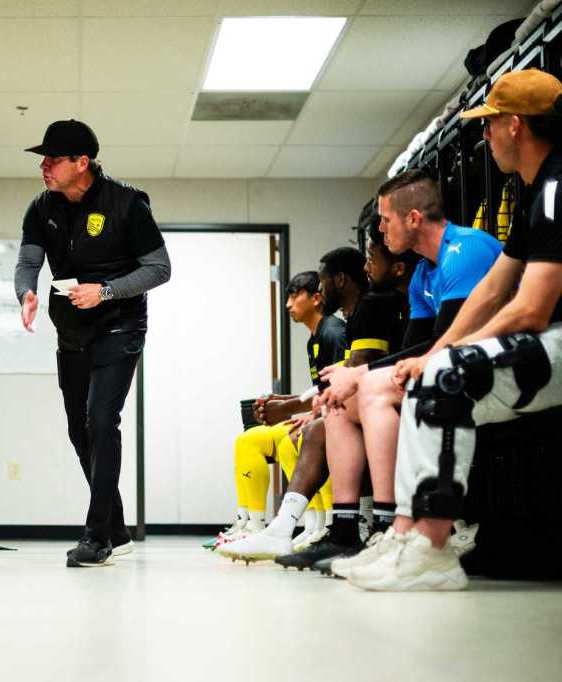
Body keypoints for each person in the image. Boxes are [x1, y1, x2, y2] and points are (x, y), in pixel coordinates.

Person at [345, 69, 562, 591]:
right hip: (548, 343)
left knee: (444, 379)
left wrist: (447, 354)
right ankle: (405, 534)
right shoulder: (533, 192)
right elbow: (493, 290)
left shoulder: (558, 186)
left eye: (489, 124)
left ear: (515, 125)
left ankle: (433, 548)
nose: (484, 136)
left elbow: (532, 308)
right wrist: (435, 352)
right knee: (430, 373)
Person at [317, 170, 501, 577]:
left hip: (495, 365)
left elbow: (450, 341)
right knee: (340, 399)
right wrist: (352, 376)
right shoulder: (422, 274)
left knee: (372, 387)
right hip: (450, 365)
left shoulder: (465, 250)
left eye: (385, 220)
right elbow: (415, 346)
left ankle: (388, 526)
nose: (380, 230)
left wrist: (362, 372)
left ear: (413, 218)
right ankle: (346, 530)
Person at [14, 119, 171, 567]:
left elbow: (159, 269)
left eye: (53, 159)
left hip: (120, 326)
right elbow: (28, 261)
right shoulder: (41, 206)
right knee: (78, 429)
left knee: (102, 420)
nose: (44, 166)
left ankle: (96, 536)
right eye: (43, 160)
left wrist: (105, 291)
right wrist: (25, 292)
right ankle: (116, 529)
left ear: (82, 162)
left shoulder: (127, 204)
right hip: (72, 331)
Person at [211, 271, 345, 551]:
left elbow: (340, 388)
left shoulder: (333, 332)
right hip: (322, 411)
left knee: (294, 441)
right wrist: (285, 400)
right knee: (247, 440)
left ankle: (325, 524)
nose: (288, 304)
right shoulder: (314, 339)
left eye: (295, 296)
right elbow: (320, 390)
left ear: (316, 298)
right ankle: (253, 524)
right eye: (287, 297)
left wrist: (300, 411)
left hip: (338, 416)